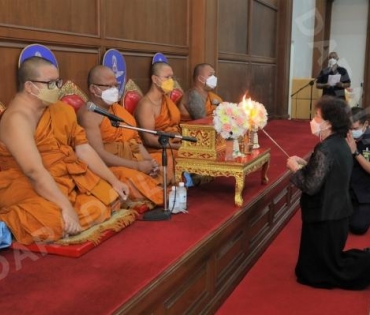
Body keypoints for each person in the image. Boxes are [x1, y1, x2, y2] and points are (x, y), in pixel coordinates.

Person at [0, 56, 130, 245]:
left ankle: (66, 214)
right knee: (54, 220)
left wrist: (113, 180)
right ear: (30, 87)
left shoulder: (60, 110)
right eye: (51, 83)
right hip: (22, 183)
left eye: (58, 82)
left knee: (107, 199)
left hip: (61, 178)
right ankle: (7, 225)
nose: (58, 88)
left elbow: (83, 148)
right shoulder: (17, 119)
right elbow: (33, 172)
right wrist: (66, 208)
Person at [286, 96, 370, 290]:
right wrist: (306, 164)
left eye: (317, 116)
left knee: (324, 271)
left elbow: (311, 186)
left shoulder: (325, 148)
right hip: (337, 214)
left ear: (329, 123)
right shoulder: (341, 143)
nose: (313, 121)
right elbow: (328, 174)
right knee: (312, 268)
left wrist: (295, 169)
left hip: (326, 216)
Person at [77, 65, 163, 209]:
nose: (114, 90)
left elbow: (134, 140)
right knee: (136, 178)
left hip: (133, 158)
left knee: (165, 163)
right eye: (108, 86)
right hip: (110, 166)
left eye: (115, 85)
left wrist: (149, 161)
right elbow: (99, 155)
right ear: (93, 89)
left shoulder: (117, 110)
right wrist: (138, 166)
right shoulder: (88, 115)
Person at [134, 62, 182, 183]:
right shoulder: (146, 105)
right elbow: (149, 139)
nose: (171, 81)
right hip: (156, 149)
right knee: (177, 155)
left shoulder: (166, 100)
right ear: (155, 79)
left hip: (174, 141)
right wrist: (177, 146)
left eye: (172, 77)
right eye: (167, 77)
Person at [346, 107, 370, 234]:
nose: (351, 132)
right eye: (349, 128)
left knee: (358, 227)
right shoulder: (347, 137)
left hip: (365, 191)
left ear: (365, 124)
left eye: (354, 129)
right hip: (346, 189)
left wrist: (355, 152)